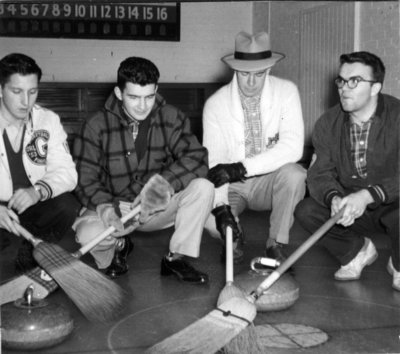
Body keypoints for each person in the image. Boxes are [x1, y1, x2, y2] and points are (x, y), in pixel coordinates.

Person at [73, 56, 213, 283]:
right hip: (115, 208)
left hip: (154, 207)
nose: (142, 106)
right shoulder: (95, 125)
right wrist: (104, 207)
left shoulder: (172, 117)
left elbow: (197, 158)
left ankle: (175, 258)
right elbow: (84, 178)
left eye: (149, 96)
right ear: (119, 93)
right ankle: (119, 246)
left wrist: (163, 185)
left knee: (203, 188)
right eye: (133, 97)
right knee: (88, 235)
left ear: (156, 90)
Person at [295, 51, 399, 291]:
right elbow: (319, 173)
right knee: (307, 210)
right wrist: (334, 198)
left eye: (354, 81)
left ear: (375, 88)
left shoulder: (398, 116)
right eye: (341, 80)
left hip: (393, 204)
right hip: (352, 208)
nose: (344, 88)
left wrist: (369, 195)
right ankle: (357, 251)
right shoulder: (327, 123)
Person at [203, 31, 306, 263]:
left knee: (295, 174)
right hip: (231, 187)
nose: (251, 82)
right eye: (244, 74)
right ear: (234, 70)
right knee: (204, 206)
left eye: (259, 74)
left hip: (269, 183)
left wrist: (241, 167)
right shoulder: (215, 104)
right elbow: (214, 162)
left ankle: (276, 243)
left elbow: (293, 148)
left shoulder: (287, 91)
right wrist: (221, 208)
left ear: (269, 69)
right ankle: (233, 237)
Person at [0, 53, 80, 272]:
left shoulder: (48, 120)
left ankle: (29, 253)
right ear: (0, 89)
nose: (26, 101)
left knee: (66, 205)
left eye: (32, 91)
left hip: (29, 209)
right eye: (16, 92)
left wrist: (37, 192)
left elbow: (67, 174)